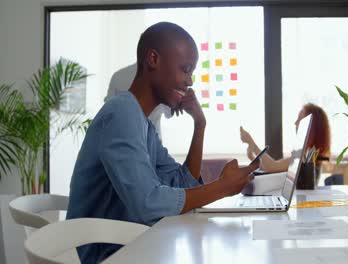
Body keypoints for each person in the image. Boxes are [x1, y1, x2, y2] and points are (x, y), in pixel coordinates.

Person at [66, 22, 258, 263]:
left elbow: (181, 181)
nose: (189, 81)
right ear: (153, 59)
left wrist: (199, 125)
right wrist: (223, 187)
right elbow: (149, 204)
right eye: (185, 69)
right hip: (105, 257)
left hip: (130, 247)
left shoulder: (142, 124)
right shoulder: (121, 113)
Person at [240, 103, 331, 173]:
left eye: (299, 119)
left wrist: (253, 144)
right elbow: (271, 168)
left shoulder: (304, 157)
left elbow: (272, 167)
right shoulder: (306, 154)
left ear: (311, 127)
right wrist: (252, 157)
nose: (295, 123)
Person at [106, 63, 172, 140]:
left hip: (123, 142)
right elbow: (169, 113)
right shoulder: (164, 77)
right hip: (151, 144)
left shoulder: (117, 76)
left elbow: (109, 115)